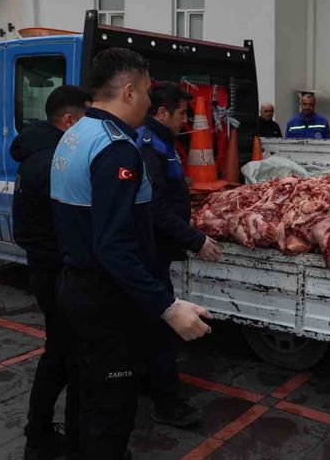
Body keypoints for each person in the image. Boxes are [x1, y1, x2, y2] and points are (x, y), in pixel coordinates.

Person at [50, 48, 213, 459]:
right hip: (106, 298)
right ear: (128, 92)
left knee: (85, 395)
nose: (148, 101)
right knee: (111, 408)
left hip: (75, 285)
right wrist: (167, 306)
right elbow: (114, 246)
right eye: (145, 91)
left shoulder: (75, 133)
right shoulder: (117, 149)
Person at [135, 81, 221, 427]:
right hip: (150, 250)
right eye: (182, 113)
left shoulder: (164, 142)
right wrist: (195, 239)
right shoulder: (149, 146)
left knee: (148, 323)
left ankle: (146, 382)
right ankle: (168, 404)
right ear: (162, 113)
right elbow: (153, 206)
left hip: (158, 247)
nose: (187, 120)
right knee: (162, 327)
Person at [12, 85, 90, 460]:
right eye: (86, 121)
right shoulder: (54, 161)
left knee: (59, 354)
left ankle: (40, 433)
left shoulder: (38, 152)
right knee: (66, 357)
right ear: (69, 121)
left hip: (46, 268)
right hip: (58, 271)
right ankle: (55, 438)